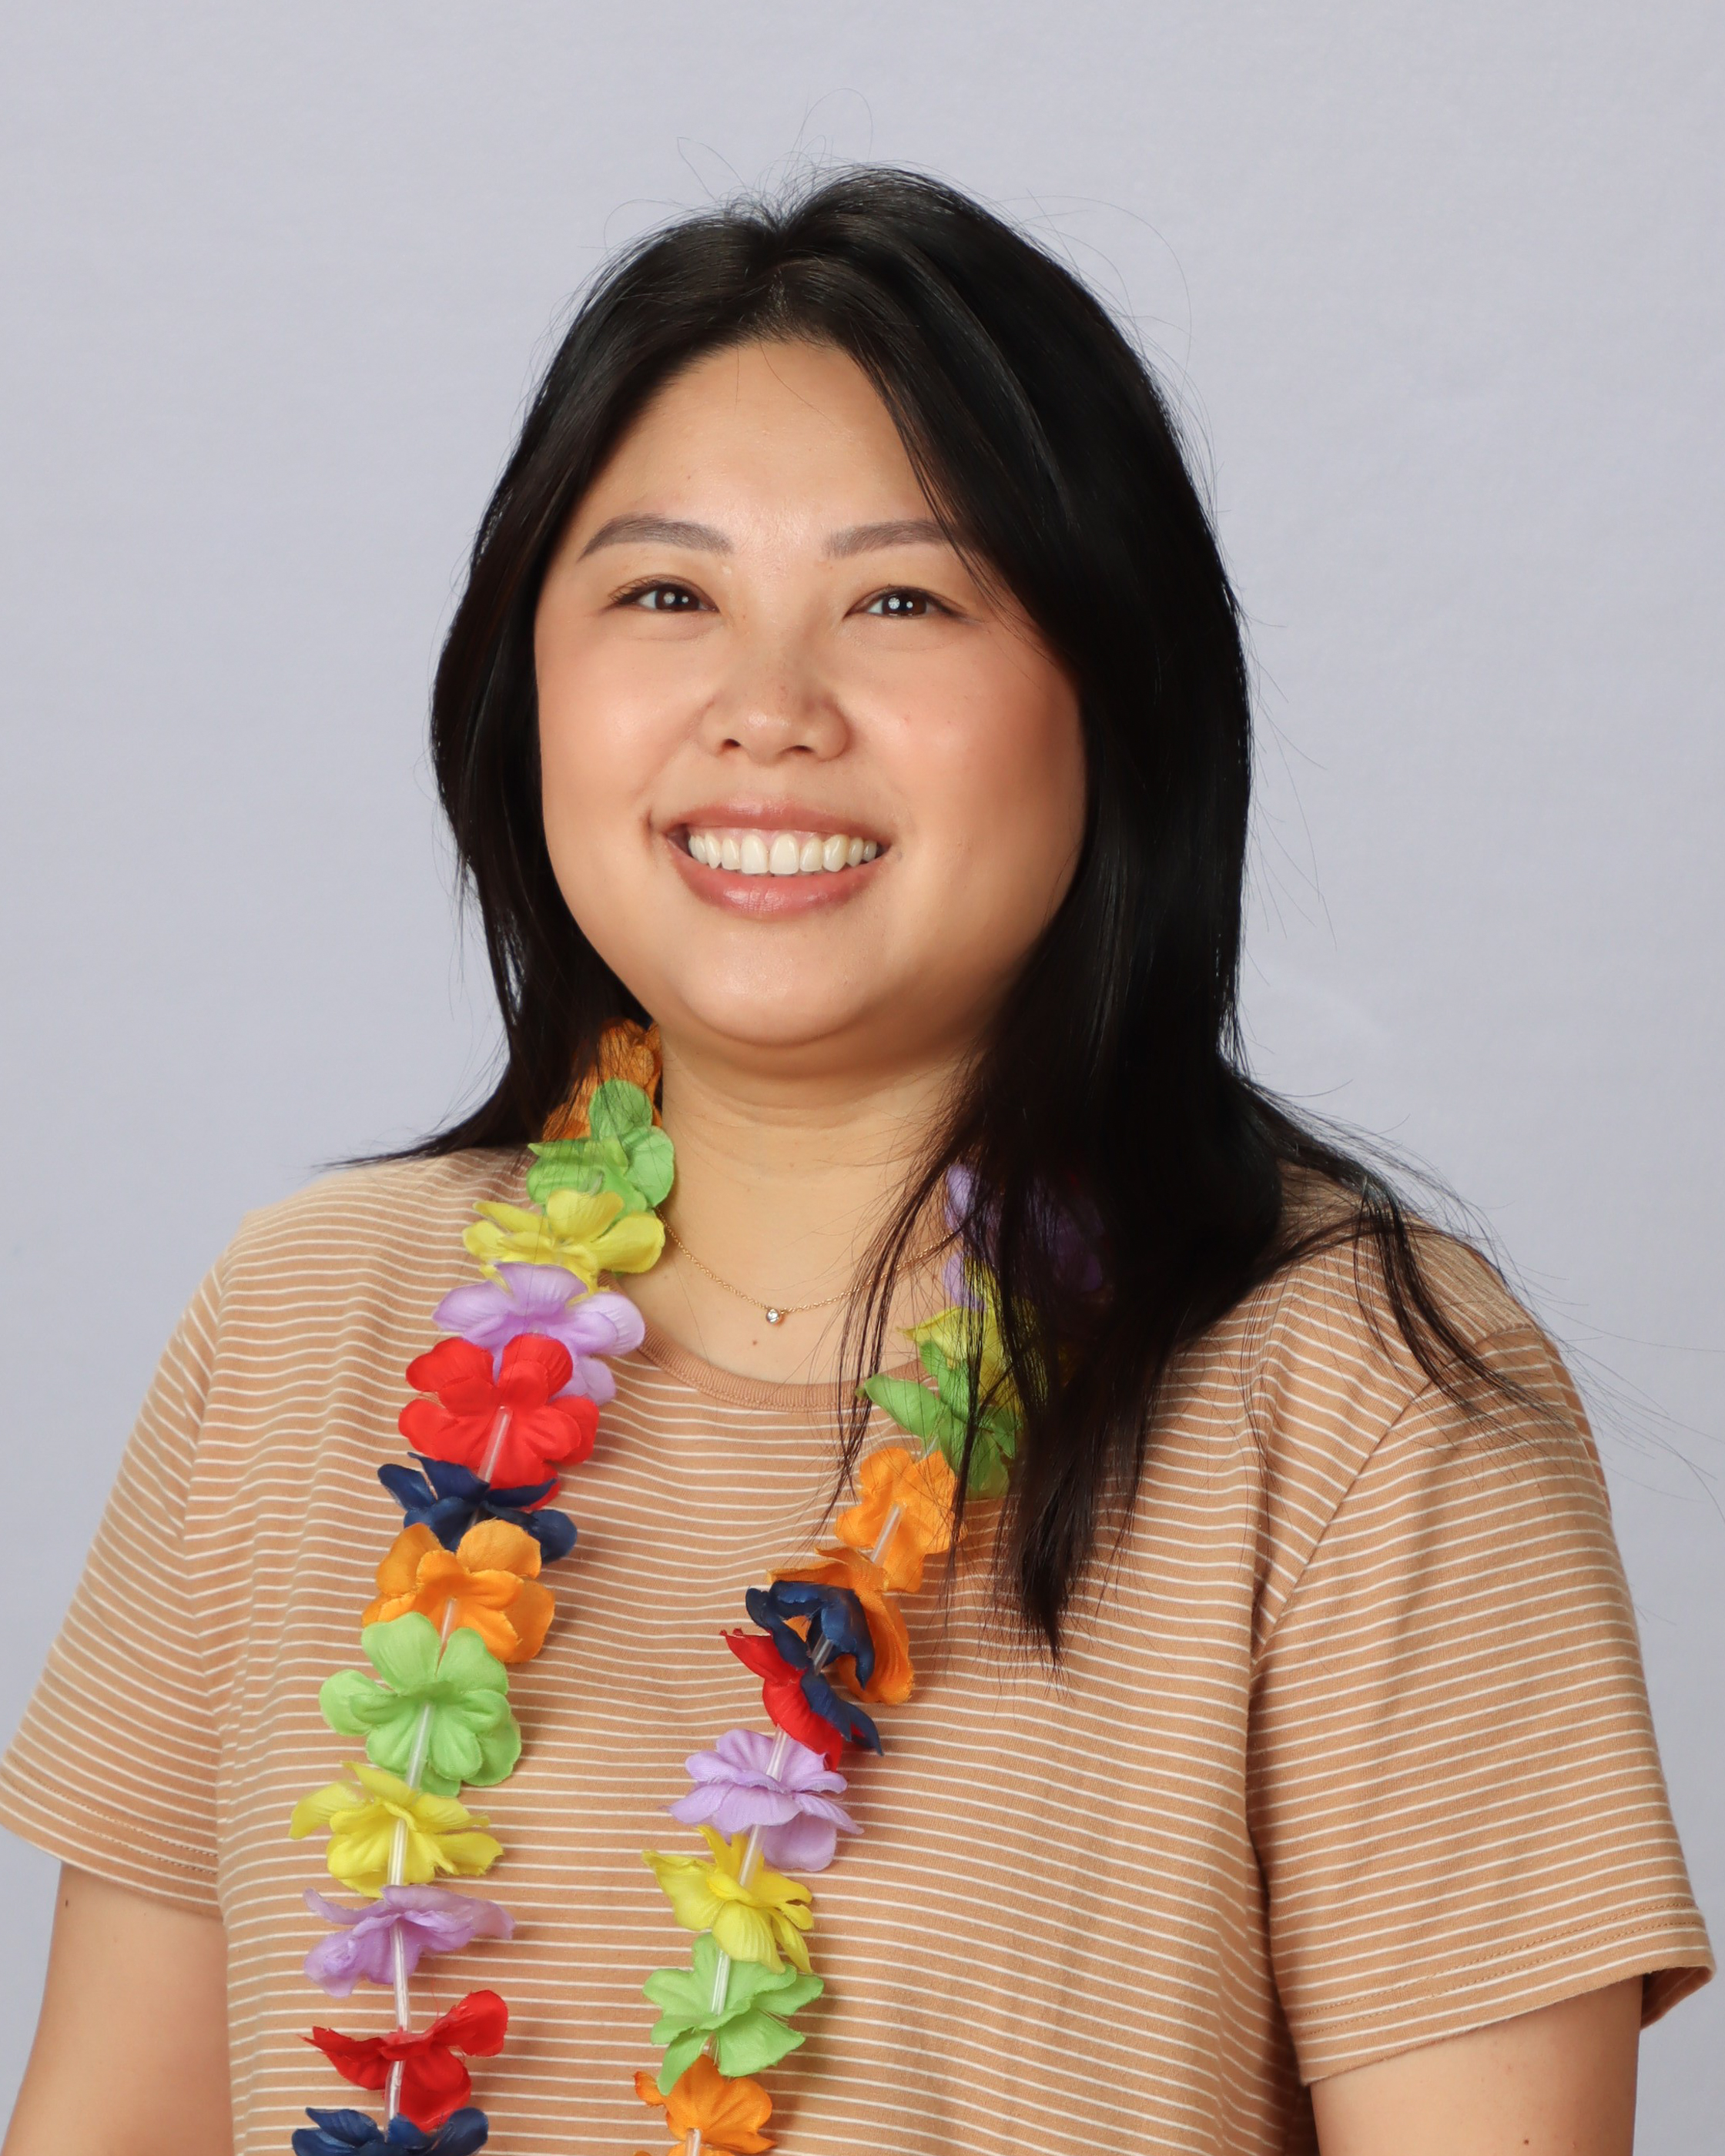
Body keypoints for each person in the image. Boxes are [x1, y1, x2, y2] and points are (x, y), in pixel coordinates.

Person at [0, 169, 1710, 2156]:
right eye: (666, 596)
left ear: (1115, 692)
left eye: (904, 601)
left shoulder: (1359, 1405)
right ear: (523, 685)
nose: (767, 713)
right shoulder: (300, 1328)